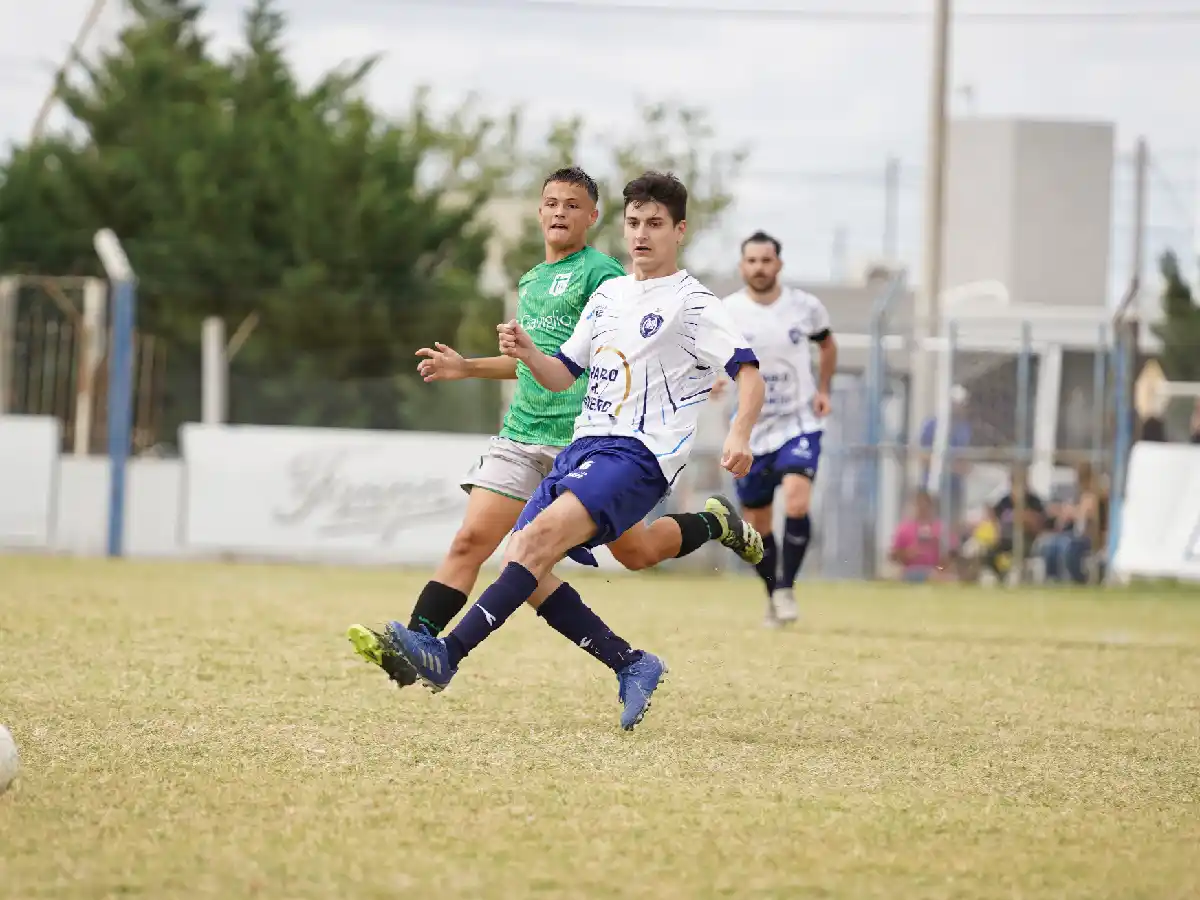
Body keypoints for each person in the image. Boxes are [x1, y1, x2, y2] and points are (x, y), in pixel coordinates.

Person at [360, 171, 766, 730]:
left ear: (680, 231)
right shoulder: (610, 294)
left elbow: (749, 374)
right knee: (539, 552)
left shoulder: (693, 303)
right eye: (635, 223)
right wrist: (525, 351)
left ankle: (443, 656)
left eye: (655, 224)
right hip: (585, 447)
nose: (642, 234)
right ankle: (633, 660)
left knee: (534, 546)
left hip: (637, 455)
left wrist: (740, 432)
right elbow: (560, 375)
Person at [713, 231, 837, 626]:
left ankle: (785, 587)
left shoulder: (805, 307)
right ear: (742, 266)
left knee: (798, 500)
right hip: (751, 428)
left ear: (779, 264)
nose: (759, 268)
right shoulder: (727, 310)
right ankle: (775, 594)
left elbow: (828, 344)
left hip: (799, 420)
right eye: (752, 261)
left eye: (766, 261)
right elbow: (709, 354)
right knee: (757, 524)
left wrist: (823, 389)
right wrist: (714, 379)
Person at [1039, 462, 1107, 584]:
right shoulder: (1079, 496)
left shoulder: (1097, 496)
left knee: (1067, 545)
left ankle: (1077, 579)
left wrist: (1072, 512)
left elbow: (1086, 514)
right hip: (1076, 535)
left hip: (1090, 538)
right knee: (1051, 544)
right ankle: (1053, 578)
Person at [918, 384, 972, 527]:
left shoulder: (963, 428)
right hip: (933, 486)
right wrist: (946, 467)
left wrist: (962, 467)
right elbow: (923, 455)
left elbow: (964, 459)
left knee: (952, 523)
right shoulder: (932, 425)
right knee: (930, 523)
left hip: (954, 488)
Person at [889, 489, 956, 582]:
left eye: (925, 505)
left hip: (935, 571)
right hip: (910, 570)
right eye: (919, 505)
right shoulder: (904, 529)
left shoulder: (941, 529)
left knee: (947, 578)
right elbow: (893, 556)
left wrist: (940, 566)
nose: (922, 508)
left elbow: (950, 557)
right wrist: (907, 553)